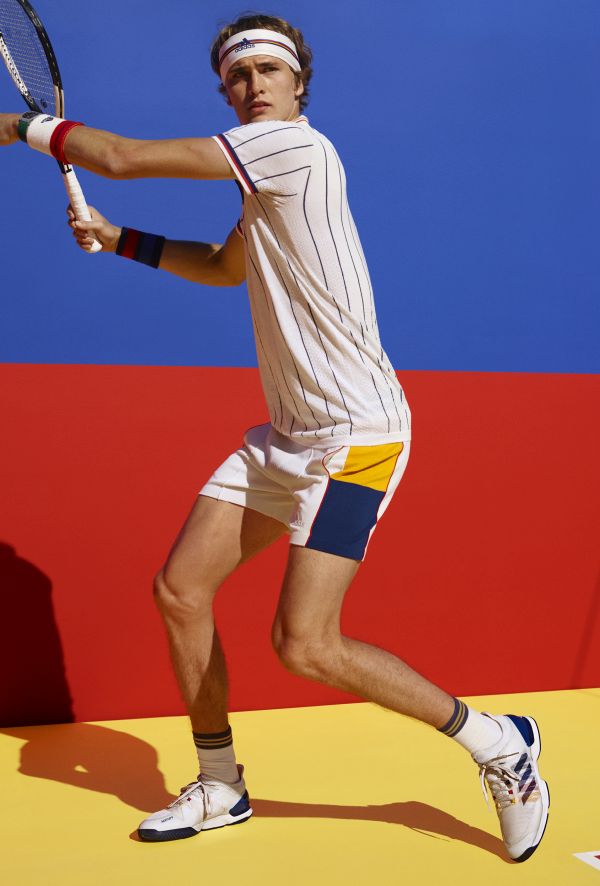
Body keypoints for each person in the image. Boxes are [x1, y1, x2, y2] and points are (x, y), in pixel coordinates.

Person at [0, 13, 548, 861]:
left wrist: (23, 127)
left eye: (268, 70)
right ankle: (220, 784)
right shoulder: (263, 185)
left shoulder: (296, 149)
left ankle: (497, 741)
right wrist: (120, 240)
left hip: (359, 435)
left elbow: (123, 158)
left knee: (305, 643)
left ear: (297, 85)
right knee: (181, 590)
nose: (253, 85)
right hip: (288, 437)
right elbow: (227, 267)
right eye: (238, 75)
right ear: (225, 90)